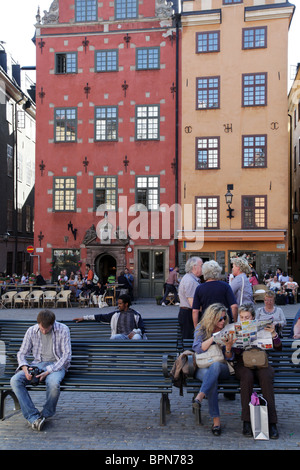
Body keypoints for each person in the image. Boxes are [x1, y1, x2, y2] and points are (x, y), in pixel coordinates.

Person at [10, 310, 71, 431]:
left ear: (52, 324)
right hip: (38, 364)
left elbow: (66, 356)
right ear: (38, 323)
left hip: (57, 365)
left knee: (53, 384)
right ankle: (33, 417)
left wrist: (48, 371)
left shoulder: (63, 329)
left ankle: (45, 414)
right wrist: (25, 368)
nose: (43, 331)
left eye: (46, 329)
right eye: (41, 328)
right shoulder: (31, 330)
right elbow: (22, 353)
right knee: (15, 380)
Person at [234, 303, 281, 439]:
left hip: (261, 361)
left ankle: (272, 423)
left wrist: (273, 333)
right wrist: (237, 343)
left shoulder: (262, 327)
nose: (244, 320)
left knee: (266, 377)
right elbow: (232, 355)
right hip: (243, 363)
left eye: (247, 317)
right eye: (242, 317)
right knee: (247, 377)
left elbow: (278, 347)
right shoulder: (236, 329)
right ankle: (247, 421)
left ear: (253, 317)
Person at [192, 303, 235, 436]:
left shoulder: (228, 329)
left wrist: (228, 347)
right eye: (220, 319)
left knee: (215, 367)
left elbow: (229, 358)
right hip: (203, 365)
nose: (223, 321)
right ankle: (216, 421)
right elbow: (197, 348)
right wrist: (214, 337)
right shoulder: (201, 328)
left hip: (221, 367)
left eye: (224, 318)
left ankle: (200, 395)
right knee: (211, 380)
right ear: (212, 318)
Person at [73, 294, 146, 340]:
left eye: (120, 304)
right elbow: (101, 317)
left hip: (132, 336)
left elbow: (141, 328)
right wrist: (84, 318)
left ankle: (139, 362)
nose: (118, 305)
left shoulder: (135, 314)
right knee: (113, 337)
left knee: (137, 337)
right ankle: (110, 362)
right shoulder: (116, 314)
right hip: (121, 336)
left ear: (126, 304)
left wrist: (135, 332)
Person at [192, 260, 238, 327]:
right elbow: (234, 306)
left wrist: (196, 328)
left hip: (208, 323)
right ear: (218, 272)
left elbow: (195, 311)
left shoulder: (199, 288)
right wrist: (235, 322)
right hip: (224, 322)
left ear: (204, 272)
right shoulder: (225, 286)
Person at [178, 257, 203, 339]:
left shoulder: (191, 279)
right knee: (189, 340)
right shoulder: (190, 281)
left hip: (187, 313)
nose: (203, 268)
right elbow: (193, 304)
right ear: (194, 267)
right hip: (188, 314)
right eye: (201, 265)